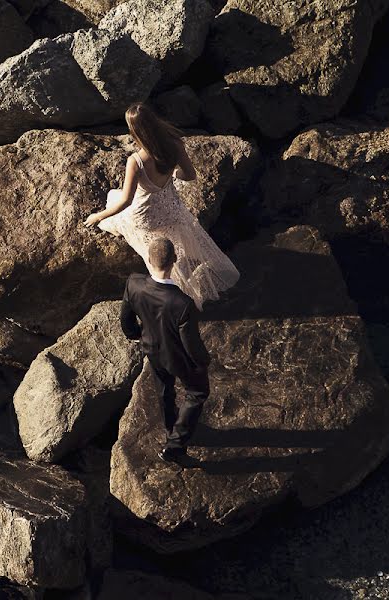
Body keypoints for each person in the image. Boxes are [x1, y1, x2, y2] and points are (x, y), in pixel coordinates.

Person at [84, 102, 239, 309]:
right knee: (177, 246)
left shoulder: (136, 161)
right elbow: (190, 175)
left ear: (135, 131)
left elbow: (126, 201)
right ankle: (184, 275)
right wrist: (174, 173)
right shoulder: (174, 143)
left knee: (114, 201)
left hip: (146, 216)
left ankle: (174, 288)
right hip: (171, 211)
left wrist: (98, 216)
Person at [119, 237, 211, 463]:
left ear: (149, 260)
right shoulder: (183, 303)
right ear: (175, 260)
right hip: (176, 355)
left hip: (150, 348)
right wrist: (203, 361)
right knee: (197, 393)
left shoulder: (134, 283)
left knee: (164, 389)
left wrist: (134, 335)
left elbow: (126, 317)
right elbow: (190, 343)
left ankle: (171, 427)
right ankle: (175, 446)